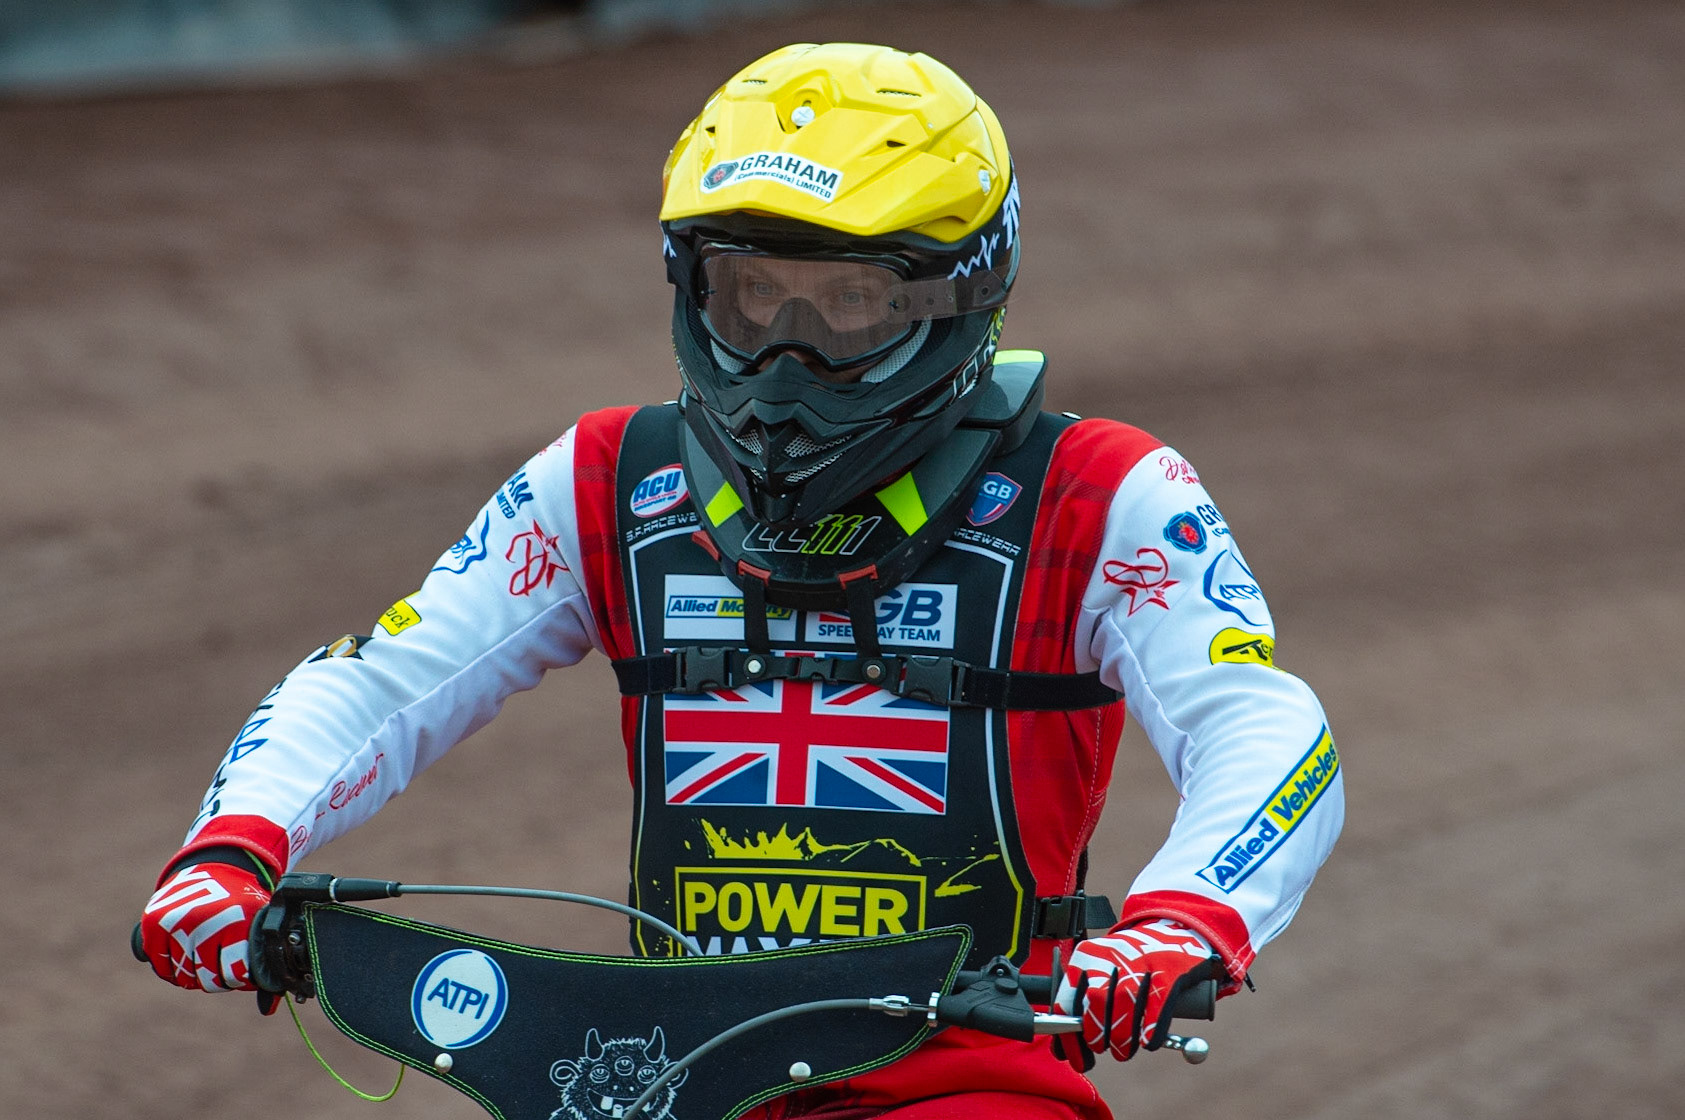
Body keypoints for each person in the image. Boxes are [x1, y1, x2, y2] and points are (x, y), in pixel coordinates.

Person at [139, 42, 1342, 1120]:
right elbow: (385, 677)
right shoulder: (607, 480)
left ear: (958, 292)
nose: (786, 358)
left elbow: (1261, 724)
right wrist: (233, 847)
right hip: (658, 1073)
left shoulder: (1100, 492)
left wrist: (1183, 917)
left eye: (849, 304)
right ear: (692, 287)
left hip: (966, 1080)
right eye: (753, 295)